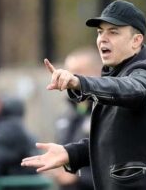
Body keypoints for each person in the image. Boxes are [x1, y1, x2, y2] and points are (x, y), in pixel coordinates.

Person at [21, 0, 146, 190]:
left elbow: (133, 88)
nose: (103, 38)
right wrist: (71, 153)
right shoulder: (114, 77)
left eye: (113, 32)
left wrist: (80, 82)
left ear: (136, 40)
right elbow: (114, 140)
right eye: (100, 32)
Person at [51, 48, 101, 190]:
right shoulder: (65, 115)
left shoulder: (109, 110)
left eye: (78, 70)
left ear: (96, 72)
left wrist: (79, 178)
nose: (69, 77)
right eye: (68, 71)